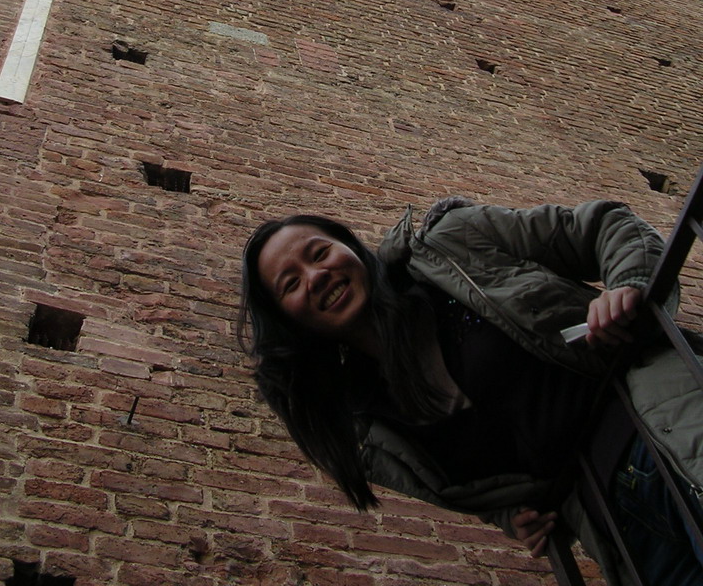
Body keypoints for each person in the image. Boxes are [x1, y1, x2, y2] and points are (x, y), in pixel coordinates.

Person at [238, 196, 703, 586]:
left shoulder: (451, 245)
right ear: (289, 321)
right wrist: (513, 514)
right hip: (620, 525)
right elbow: (472, 479)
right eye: (291, 283)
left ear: (352, 249)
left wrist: (627, 287)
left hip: (666, 431)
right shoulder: (371, 428)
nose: (315, 276)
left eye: (319, 254)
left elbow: (603, 227)